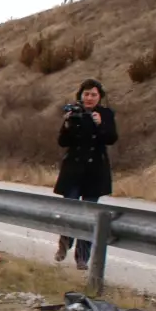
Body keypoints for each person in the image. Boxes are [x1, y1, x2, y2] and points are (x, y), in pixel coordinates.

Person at [52, 79, 118, 270]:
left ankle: (83, 257)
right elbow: (63, 142)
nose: (89, 98)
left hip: (95, 170)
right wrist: (66, 125)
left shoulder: (106, 114)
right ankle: (64, 245)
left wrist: (100, 125)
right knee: (70, 209)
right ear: (81, 95)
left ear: (100, 97)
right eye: (86, 94)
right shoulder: (74, 112)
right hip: (74, 169)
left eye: (93, 95)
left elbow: (112, 138)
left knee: (89, 216)